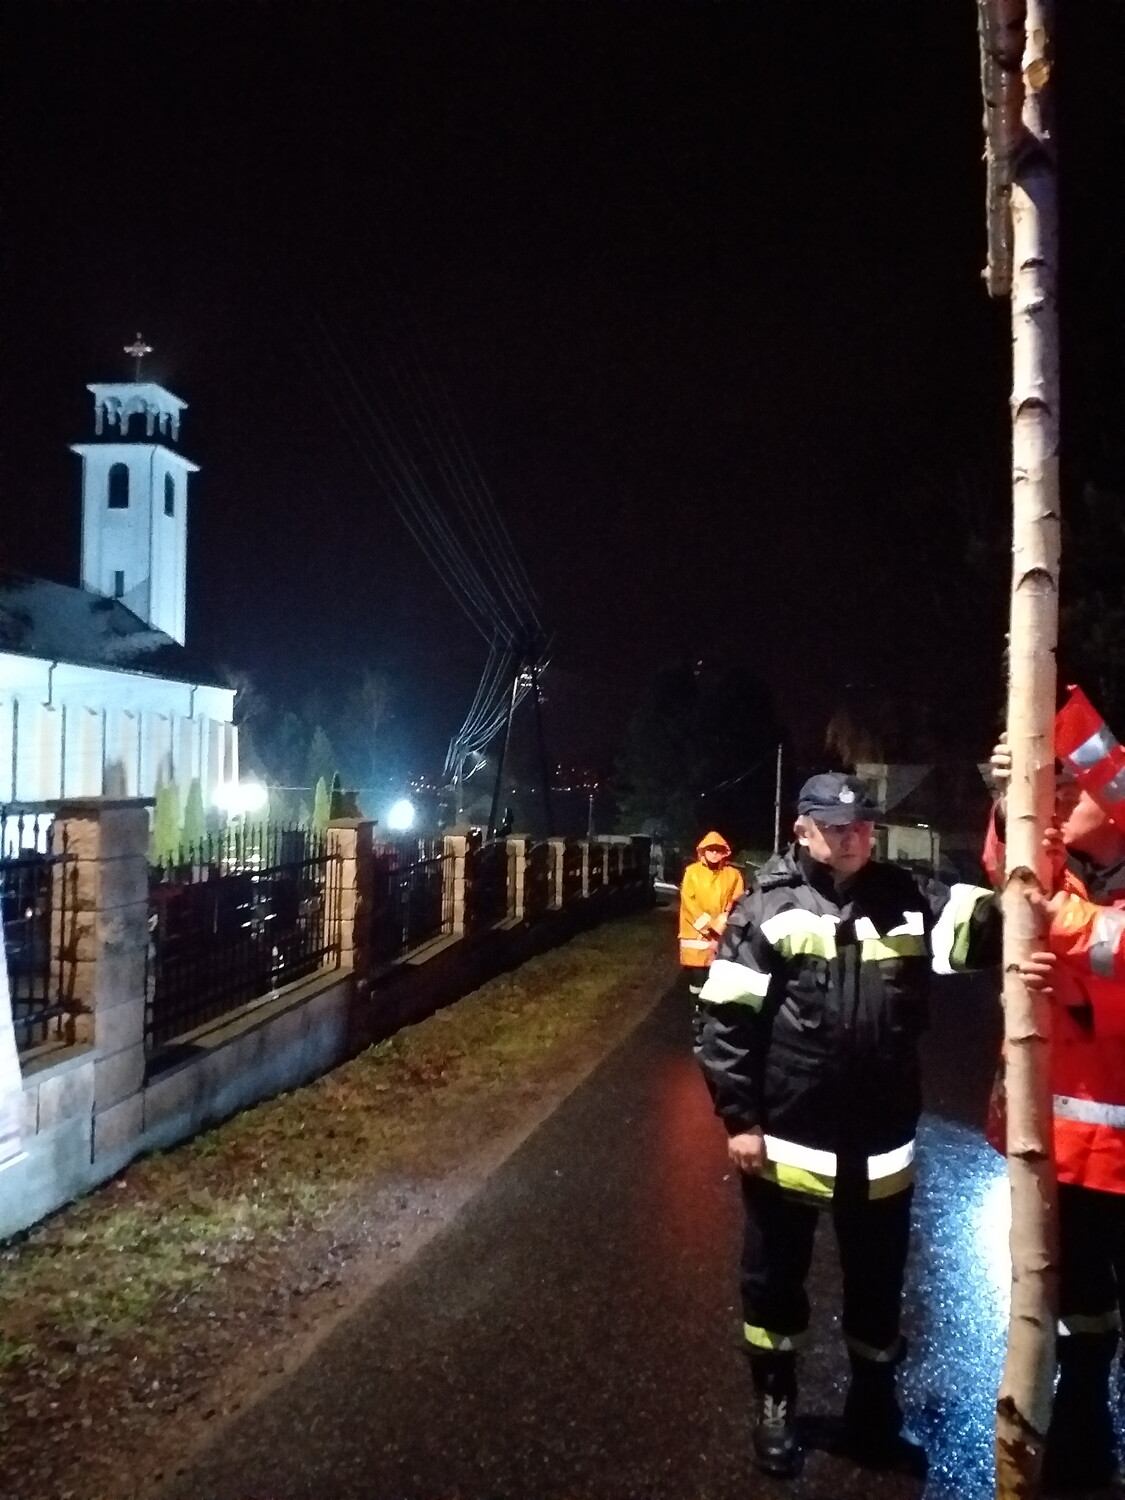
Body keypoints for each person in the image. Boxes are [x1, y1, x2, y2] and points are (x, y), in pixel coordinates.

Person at [694, 772, 999, 1478]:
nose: (852, 836)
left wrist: (1015, 812)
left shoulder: (909, 898)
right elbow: (724, 1024)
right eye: (835, 827)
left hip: (880, 1142)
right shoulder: (766, 910)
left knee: (877, 1285)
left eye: (861, 825)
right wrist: (740, 1121)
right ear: (801, 830)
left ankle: (872, 1407)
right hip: (786, 1139)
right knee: (774, 1282)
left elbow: (991, 929)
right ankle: (776, 1402)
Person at [988, 728, 1125, 1494]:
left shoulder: (1075, 893)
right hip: (1071, 1147)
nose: (1062, 797)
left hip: (1110, 1148)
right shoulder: (1066, 869)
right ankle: (1083, 1421)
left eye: (1076, 786)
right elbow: (1010, 873)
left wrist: (1057, 940)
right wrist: (1005, 795)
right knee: (1080, 1303)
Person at [677, 831, 745, 997]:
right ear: (703, 851)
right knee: (697, 983)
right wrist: (711, 925)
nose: (714, 853)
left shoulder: (733, 875)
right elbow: (689, 904)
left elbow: (738, 900)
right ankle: (696, 1008)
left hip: (721, 939)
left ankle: (709, 1009)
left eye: (718, 850)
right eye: (710, 849)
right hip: (695, 938)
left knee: (717, 984)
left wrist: (725, 918)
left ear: (724, 852)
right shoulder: (692, 872)